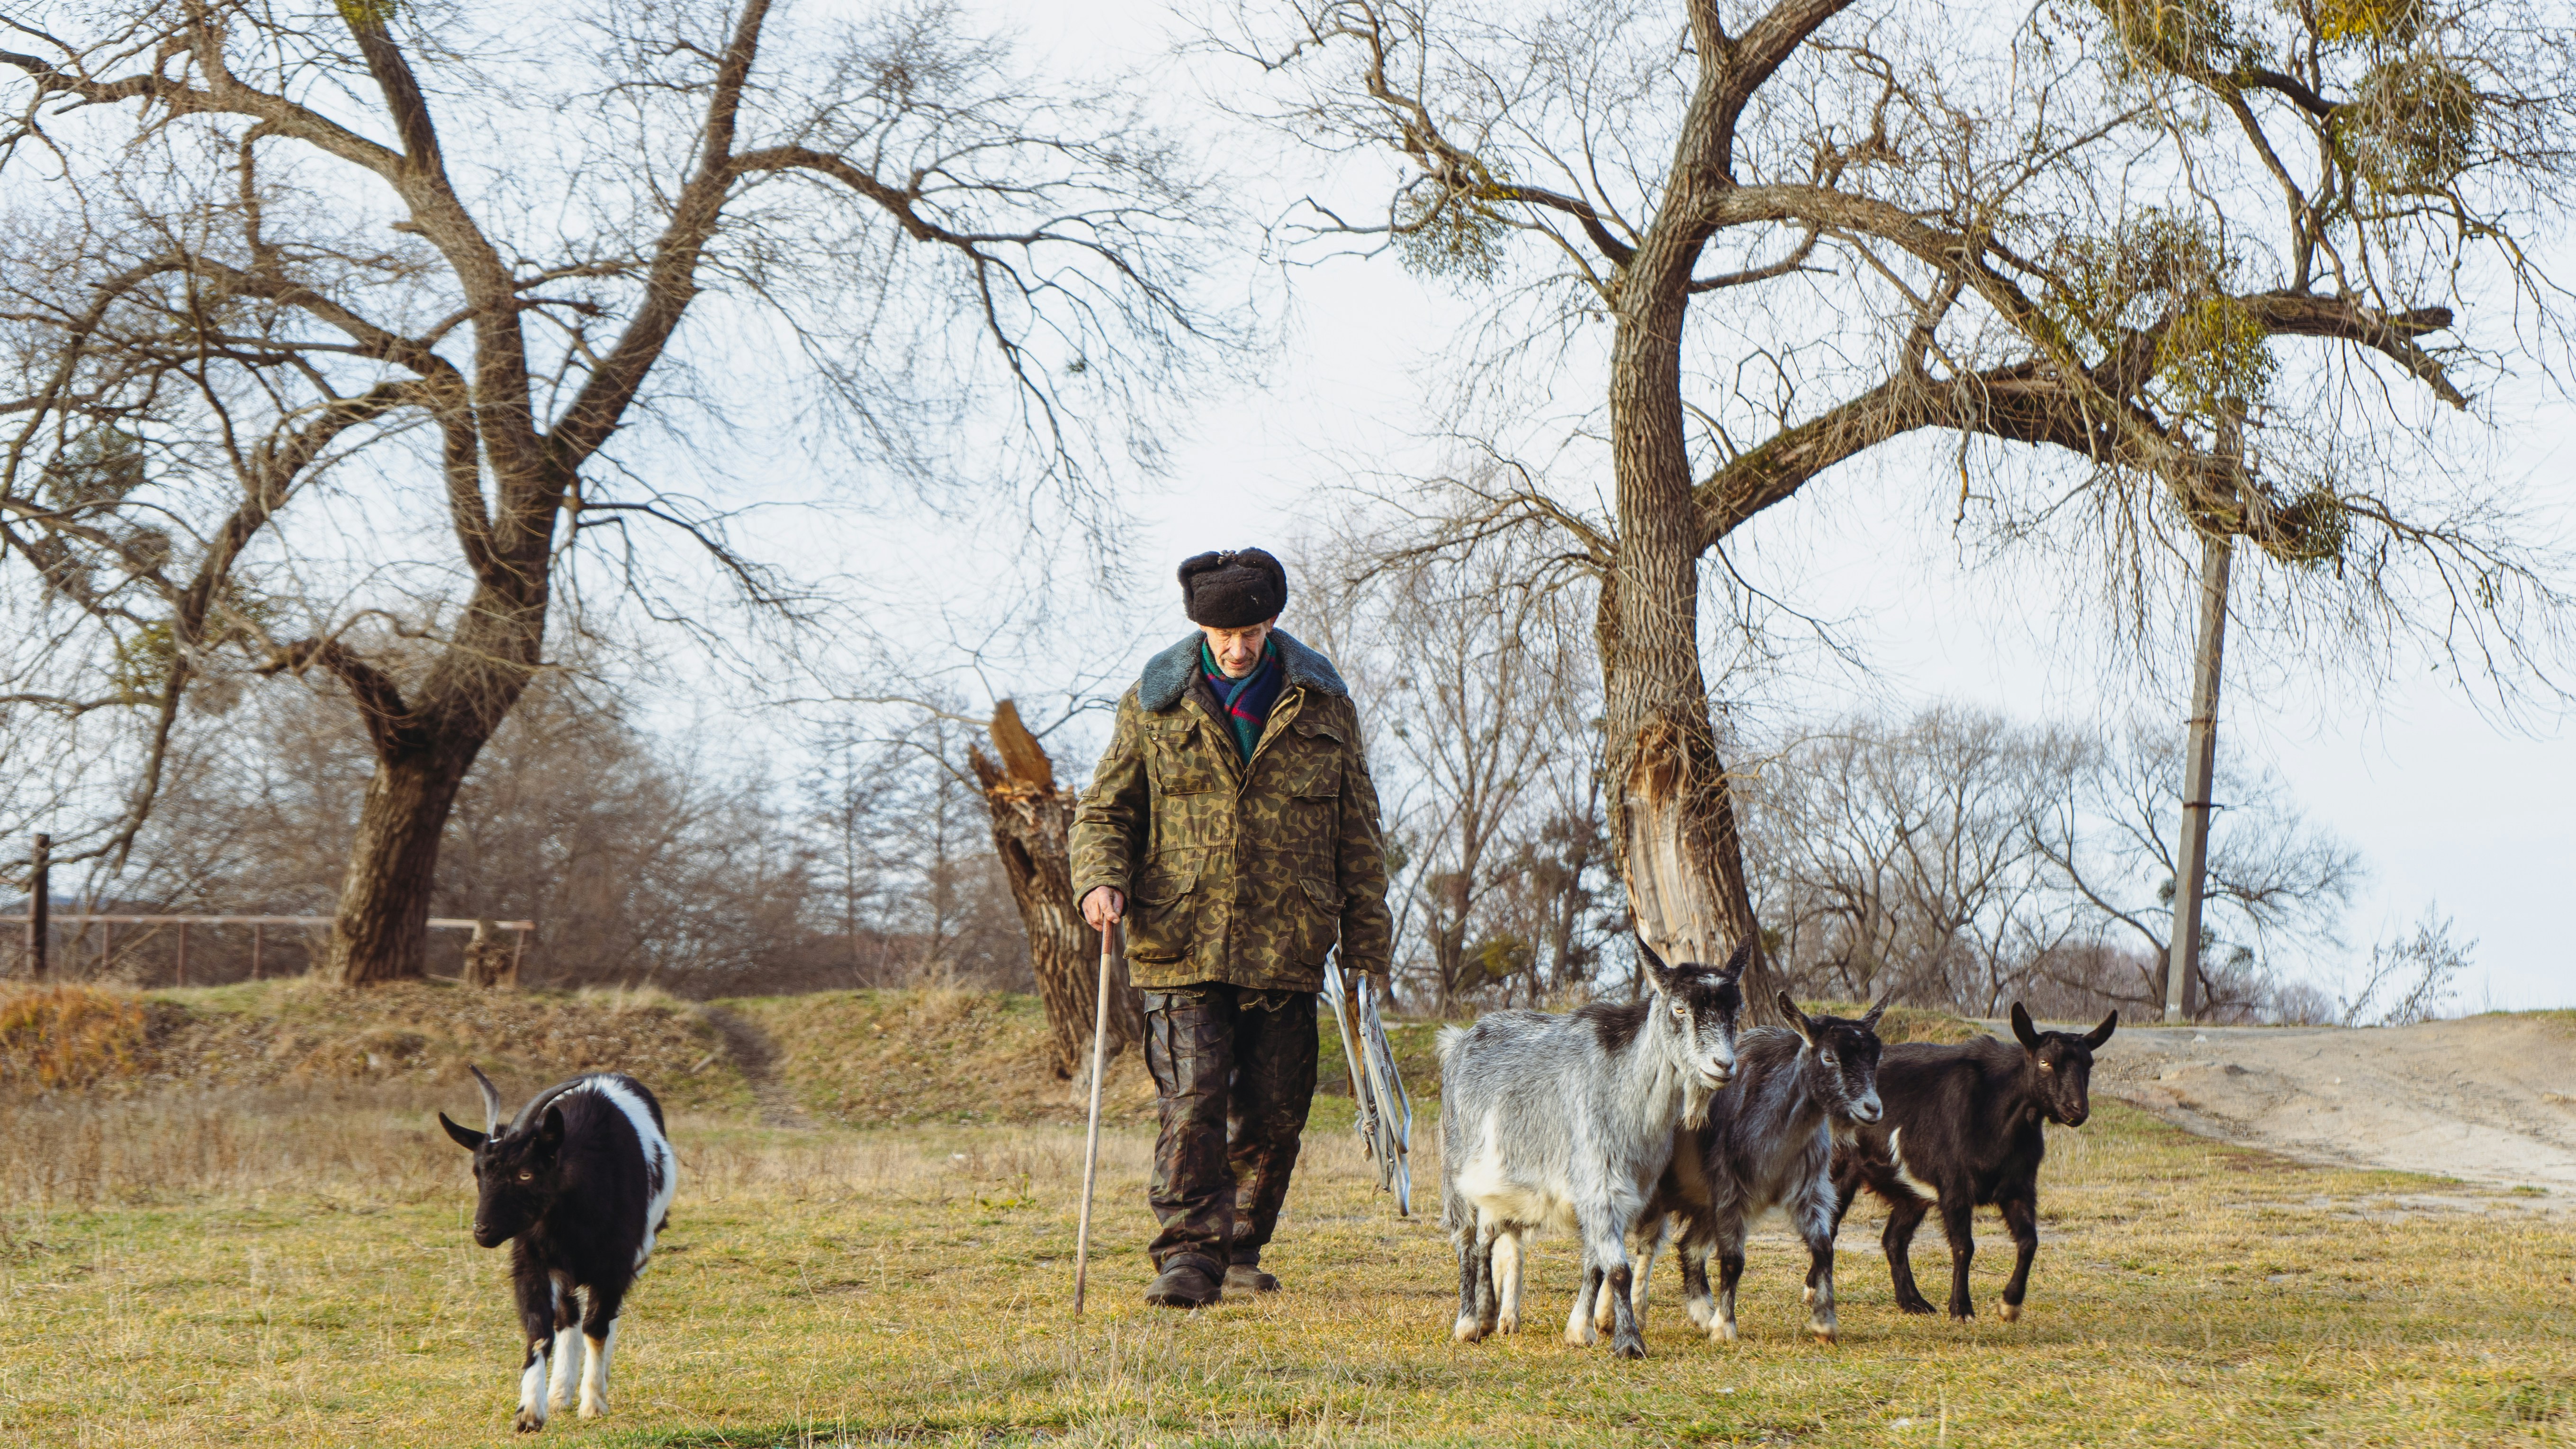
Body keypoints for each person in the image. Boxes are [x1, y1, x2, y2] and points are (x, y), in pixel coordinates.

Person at [1070, 547, 1392, 1308]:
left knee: (1275, 1113)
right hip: (1177, 937)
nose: (1237, 646)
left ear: (1272, 621)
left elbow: (1359, 831)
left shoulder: (1323, 704)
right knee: (1193, 1100)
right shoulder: (1153, 703)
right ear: (1199, 628)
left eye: (1249, 630)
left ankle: (1241, 1247)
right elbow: (1106, 809)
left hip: (1287, 942)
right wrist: (1100, 877)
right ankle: (1187, 1257)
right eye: (1222, 633)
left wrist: (1368, 947)